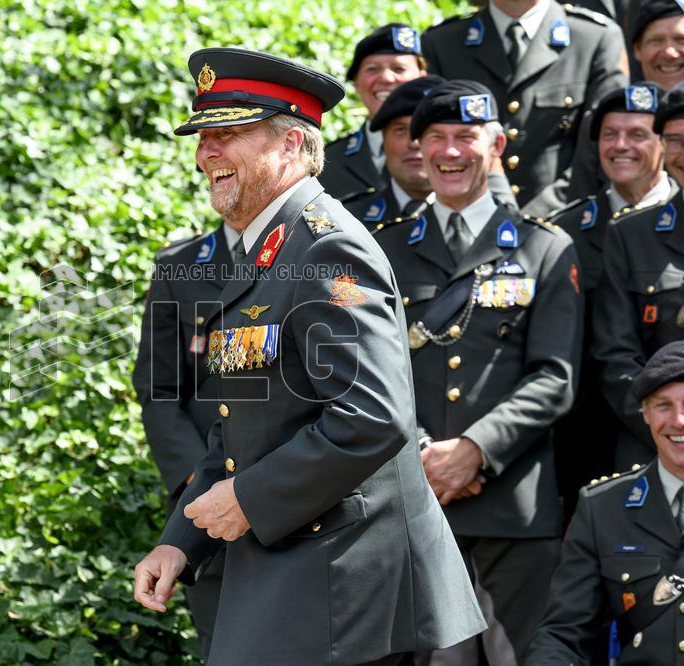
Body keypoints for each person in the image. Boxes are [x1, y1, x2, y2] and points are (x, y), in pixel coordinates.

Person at [132, 47, 485, 665]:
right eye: (202, 137)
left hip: (347, 585)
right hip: (303, 568)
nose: (205, 153)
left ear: (292, 144)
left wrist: (246, 500)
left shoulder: (326, 250)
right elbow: (244, 424)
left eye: (228, 135)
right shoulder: (269, 248)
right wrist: (181, 541)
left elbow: (373, 416)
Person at [373, 79, 584, 665]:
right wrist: (418, 453)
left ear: (496, 146)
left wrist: (473, 449)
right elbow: (370, 370)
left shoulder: (546, 249)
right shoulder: (383, 250)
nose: (448, 151)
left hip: (511, 507)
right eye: (434, 137)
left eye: (466, 137)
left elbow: (555, 375)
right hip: (411, 498)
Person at [549, 84, 675, 514]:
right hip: (592, 437)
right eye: (609, 134)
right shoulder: (561, 231)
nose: (621, 146)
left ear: (663, 142)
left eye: (637, 134)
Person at [526, 340, 684, 665]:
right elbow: (563, 634)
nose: (679, 420)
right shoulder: (603, 508)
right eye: (663, 405)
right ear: (645, 413)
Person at [132, 224, 234, 658]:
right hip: (204, 506)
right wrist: (199, 479)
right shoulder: (179, 264)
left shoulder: (304, 255)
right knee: (223, 648)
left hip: (291, 495)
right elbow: (159, 391)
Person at [421, 0, 627, 215]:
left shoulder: (595, 38)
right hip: (467, 222)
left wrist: (537, 221)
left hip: (564, 224)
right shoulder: (442, 43)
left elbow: (600, 147)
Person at [592, 85, 684, 468]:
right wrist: (666, 430)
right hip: (653, 446)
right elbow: (615, 356)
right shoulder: (630, 235)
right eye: (676, 140)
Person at [566, 0, 684, 200]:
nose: (669, 52)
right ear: (637, 49)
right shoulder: (606, 117)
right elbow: (582, 203)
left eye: (680, 40)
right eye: (656, 41)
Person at [320, 23, 427, 202]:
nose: (386, 78)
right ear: (356, 84)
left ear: (422, 78)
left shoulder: (444, 148)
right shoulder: (326, 161)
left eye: (399, 68)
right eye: (373, 69)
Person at [343, 75, 444, 229]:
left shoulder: (486, 218)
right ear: (383, 138)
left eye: (428, 131)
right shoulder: (347, 220)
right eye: (401, 130)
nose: (414, 143)